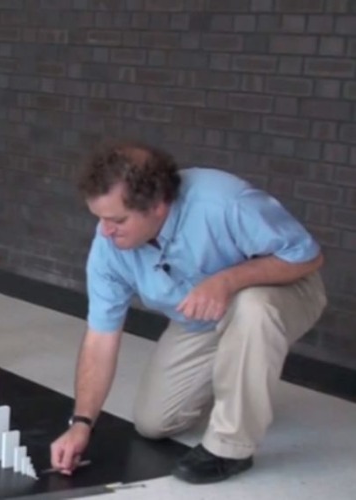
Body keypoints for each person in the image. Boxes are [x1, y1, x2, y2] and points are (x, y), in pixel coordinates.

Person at [49, 139, 327, 484]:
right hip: (202, 318)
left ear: (158, 206)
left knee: (253, 309)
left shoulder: (224, 202)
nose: (105, 231)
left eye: (117, 220)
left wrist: (227, 281)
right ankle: (236, 378)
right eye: (100, 219)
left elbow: (306, 257)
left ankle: (231, 447)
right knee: (153, 424)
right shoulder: (109, 247)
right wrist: (81, 424)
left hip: (284, 289)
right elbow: (100, 339)